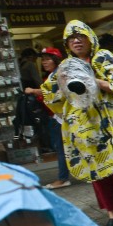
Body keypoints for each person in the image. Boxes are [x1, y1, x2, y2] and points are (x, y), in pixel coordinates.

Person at [42, 20, 113, 226]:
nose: (76, 40)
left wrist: (94, 80)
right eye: (71, 38)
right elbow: (52, 97)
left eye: (80, 36)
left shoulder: (103, 58)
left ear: (89, 38)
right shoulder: (65, 66)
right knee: (98, 171)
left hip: (111, 124)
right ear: (66, 43)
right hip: (84, 128)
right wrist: (62, 83)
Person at [37, 47, 72, 189]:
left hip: (62, 117)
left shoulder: (59, 74)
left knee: (61, 148)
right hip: (58, 116)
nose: (44, 62)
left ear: (56, 60)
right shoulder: (52, 75)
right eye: (43, 60)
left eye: (48, 59)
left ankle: (63, 178)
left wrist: (34, 91)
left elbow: (59, 94)